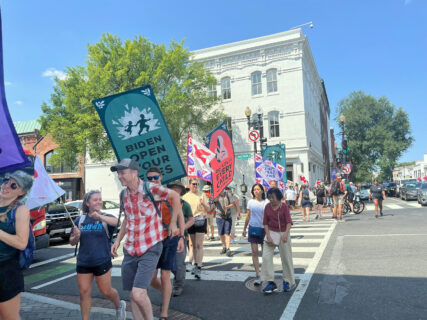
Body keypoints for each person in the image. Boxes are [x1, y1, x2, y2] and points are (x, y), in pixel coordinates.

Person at [110, 158, 182, 320]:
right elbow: (126, 220)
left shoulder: (151, 189)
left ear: (135, 173)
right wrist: (117, 241)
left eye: (122, 173)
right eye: (118, 173)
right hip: (130, 250)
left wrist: (173, 224)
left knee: (139, 293)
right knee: (133, 295)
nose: (119, 176)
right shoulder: (123, 194)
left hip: (150, 246)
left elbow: (175, 197)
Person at [69, 190, 126, 320]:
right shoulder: (80, 220)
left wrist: (99, 216)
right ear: (87, 203)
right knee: (84, 293)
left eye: (100, 199)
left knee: (106, 291)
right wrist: (75, 237)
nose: (99, 202)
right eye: (95, 199)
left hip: (102, 261)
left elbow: (118, 222)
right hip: (83, 262)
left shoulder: (106, 218)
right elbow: (72, 242)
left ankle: (119, 305)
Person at [146, 168, 185, 320]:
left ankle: (164, 311)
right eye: (150, 178)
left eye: (155, 177)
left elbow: (181, 218)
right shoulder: (146, 196)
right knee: (151, 277)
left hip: (170, 238)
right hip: (153, 238)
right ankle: (166, 292)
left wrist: (181, 237)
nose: (153, 180)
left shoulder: (171, 195)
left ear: (161, 177)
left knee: (165, 275)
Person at [0, 170, 33, 319]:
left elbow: (21, 243)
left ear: (21, 192)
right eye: (6, 180)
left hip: (6, 272)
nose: (6, 186)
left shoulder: (21, 210)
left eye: (14, 185)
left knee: (9, 317)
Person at [261, 188, 295, 294]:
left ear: (279, 197)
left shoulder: (284, 206)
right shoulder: (267, 207)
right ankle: (270, 282)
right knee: (266, 257)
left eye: (273, 197)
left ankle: (287, 281)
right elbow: (265, 222)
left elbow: (289, 221)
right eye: (269, 197)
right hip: (271, 233)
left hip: (283, 233)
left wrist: (286, 234)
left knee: (286, 258)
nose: (271, 199)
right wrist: (268, 235)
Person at [168, 181, 194, 297]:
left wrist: (181, 229)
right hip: (165, 237)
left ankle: (178, 284)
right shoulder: (164, 203)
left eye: (178, 191)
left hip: (179, 237)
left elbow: (191, 220)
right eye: (173, 189)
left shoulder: (185, 205)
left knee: (179, 263)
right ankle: (179, 276)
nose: (175, 192)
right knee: (167, 263)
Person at [182, 178, 210, 279]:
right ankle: (194, 263)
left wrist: (203, 203)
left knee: (199, 244)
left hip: (200, 220)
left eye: (197, 184)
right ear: (189, 185)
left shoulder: (202, 194)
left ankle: (199, 266)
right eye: (194, 184)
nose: (195, 186)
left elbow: (208, 209)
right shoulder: (185, 197)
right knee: (192, 245)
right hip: (190, 221)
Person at [242, 183, 268, 285]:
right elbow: (248, 216)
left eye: (258, 189)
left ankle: (265, 272)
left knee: (265, 253)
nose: (256, 191)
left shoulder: (267, 202)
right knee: (254, 252)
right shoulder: (251, 202)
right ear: (252, 192)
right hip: (253, 228)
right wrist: (244, 229)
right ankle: (257, 274)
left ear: (262, 190)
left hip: (264, 229)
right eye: (254, 190)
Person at [211, 190, 234, 256]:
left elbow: (232, 204)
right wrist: (217, 196)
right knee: (221, 233)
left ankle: (228, 248)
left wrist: (227, 207)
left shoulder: (228, 194)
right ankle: (224, 247)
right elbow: (214, 201)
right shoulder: (215, 194)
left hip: (228, 216)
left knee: (227, 233)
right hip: (219, 216)